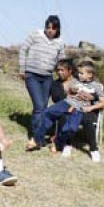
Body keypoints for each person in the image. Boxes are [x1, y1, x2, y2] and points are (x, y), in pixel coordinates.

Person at [27, 61, 104, 162]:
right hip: (66, 103)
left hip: (80, 108)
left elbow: (103, 103)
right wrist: (72, 91)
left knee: (71, 128)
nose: (79, 75)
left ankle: (58, 142)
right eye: (78, 73)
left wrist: (90, 107)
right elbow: (69, 92)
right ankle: (37, 139)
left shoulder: (96, 86)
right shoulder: (76, 81)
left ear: (90, 75)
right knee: (47, 112)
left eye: (82, 73)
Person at [18, 15, 65, 151]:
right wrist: (22, 69)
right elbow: (23, 49)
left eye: (53, 28)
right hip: (32, 75)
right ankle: (35, 137)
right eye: (48, 27)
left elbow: (62, 61)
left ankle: (39, 136)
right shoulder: (35, 35)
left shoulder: (60, 43)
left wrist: (63, 77)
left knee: (44, 107)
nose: (50, 30)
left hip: (47, 77)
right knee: (39, 106)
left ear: (57, 29)